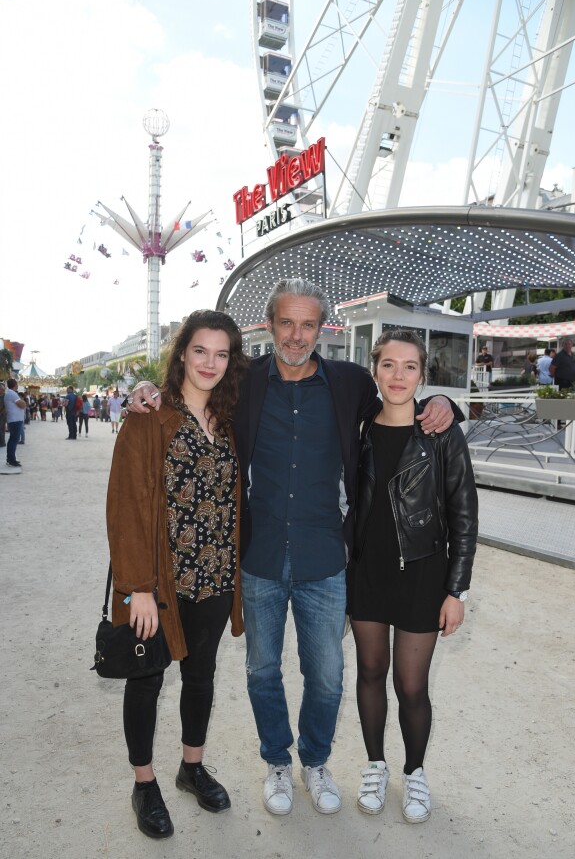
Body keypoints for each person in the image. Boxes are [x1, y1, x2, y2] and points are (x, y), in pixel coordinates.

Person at [127, 279, 456, 817]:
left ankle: (316, 760)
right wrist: (144, 387)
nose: (297, 335)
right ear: (270, 325)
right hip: (258, 558)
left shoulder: (350, 383)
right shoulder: (245, 380)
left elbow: (402, 402)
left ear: (322, 328)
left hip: (325, 556)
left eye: (307, 324)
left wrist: (442, 402)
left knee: (326, 676)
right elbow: (188, 386)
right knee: (261, 671)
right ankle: (277, 762)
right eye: (286, 322)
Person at [106, 310, 248, 840]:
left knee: (201, 676)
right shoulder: (151, 416)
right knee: (146, 679)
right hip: (161, 582)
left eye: (221, 353)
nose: (210, 363)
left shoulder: (228, 418)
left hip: (215, 577)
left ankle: (191, 767)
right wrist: (137, 587)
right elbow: (127, 505)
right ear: (181, 354)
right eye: (199, 351)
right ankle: (144, 784)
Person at [348, 329, 478, 823]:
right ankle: (375, 765)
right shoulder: (359, 427)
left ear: (423, 375)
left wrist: (456, 590)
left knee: (411, 686)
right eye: (388, 365)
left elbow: (465, 515)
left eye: (409, 367)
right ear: (374, 369)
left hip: (423, 576)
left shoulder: (441, 433)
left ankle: (415, 771)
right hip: (367, 573)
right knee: (369, 673)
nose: (398, 375)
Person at [4, 378, 26, 468]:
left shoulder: (9, 393)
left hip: (14, 419)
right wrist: (23, 402)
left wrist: (22, 402)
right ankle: (11, 460)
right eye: (17, 384)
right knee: (14, 440)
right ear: (15, 385)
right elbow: (22, 404)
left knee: (12, 439)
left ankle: (10, 458)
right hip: (15, 420)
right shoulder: (12, 394)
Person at [0, 382, 6, 448]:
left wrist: (1, 412)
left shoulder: (5, 396)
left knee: (1, 428)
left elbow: (5, 406)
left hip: (2, 415)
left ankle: (2, 442)